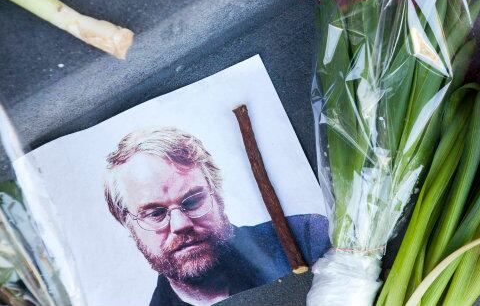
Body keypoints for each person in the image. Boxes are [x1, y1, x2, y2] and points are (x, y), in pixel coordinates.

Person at [103, 127, 329, 306]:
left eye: (192, 201)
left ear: (218, 196)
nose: (181, 224)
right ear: (129, 226)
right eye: (155, 213)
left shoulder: (308, 236)